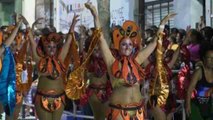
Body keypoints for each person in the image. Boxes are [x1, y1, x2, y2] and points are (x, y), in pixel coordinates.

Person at [85, 2, 175, 119]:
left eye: (130, 44)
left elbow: (153, 43)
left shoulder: (137, 61)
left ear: (133, 47)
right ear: (119, 46)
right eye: (124, 44)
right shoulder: (112, 61)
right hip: (119, 112)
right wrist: (95, 16)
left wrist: (162, 24)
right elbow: (100, 38)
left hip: (138, 111)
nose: (127, 47)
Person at [23, 13, 79, 119]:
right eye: (49, 46)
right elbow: (32, 41)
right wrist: (28, 26)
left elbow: (68, 43)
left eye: (54, 47)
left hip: (60, 99)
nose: (52, 49)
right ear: (44, 48)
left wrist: (72, 26)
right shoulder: (39, 59)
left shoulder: (60, 59)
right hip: (42, 99)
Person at [0, 17, 23, 117]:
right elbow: (5, 45)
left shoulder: (10, 53)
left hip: (11, 90)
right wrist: (17, 27)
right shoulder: (2, 51)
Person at [186, 43, 213, 120]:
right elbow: (189, 90)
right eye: (209, 58)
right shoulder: (199, 72)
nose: (212, 60)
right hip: (195, 106)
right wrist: (187, 105)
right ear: (204, 59)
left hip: (208, 107)